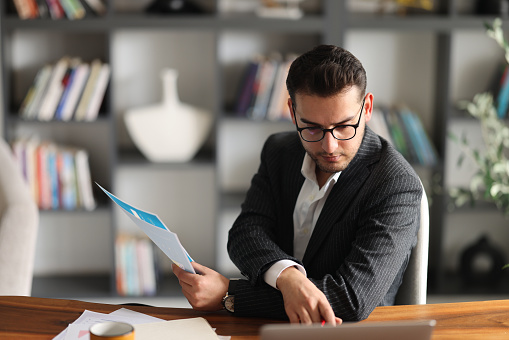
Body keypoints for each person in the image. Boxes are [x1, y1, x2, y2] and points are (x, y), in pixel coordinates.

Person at [172, 44, 423, 325]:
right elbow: (246, 231)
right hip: (270, 328)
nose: (330, 145)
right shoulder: (279, 151)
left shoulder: (396, 184)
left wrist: (230, 296)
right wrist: (287, 276)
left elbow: (352, 300)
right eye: (312, 127)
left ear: (366, 108)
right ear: (292, 111)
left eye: (343, 126)